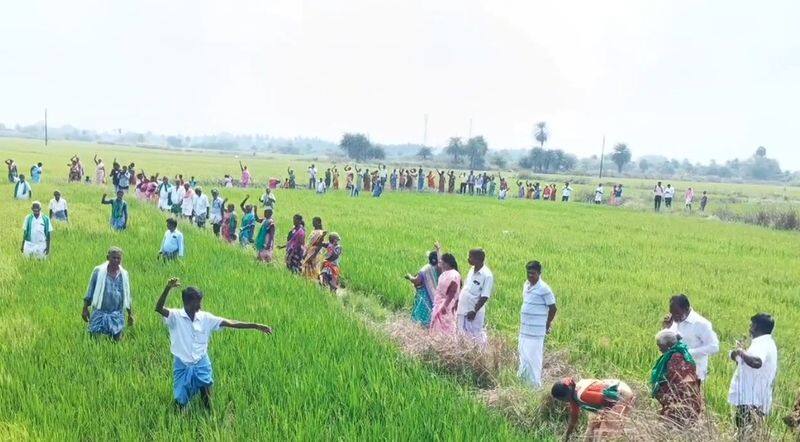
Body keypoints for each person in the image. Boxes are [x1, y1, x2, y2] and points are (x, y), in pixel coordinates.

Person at [155, 277, 272, 410]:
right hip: (182, 363)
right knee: (180, 399)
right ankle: (180, 414)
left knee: (206, 389)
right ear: (187, 303)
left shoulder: (205, 318)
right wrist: (167, 288)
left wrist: (255, 326)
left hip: (201, 361)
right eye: (197, 303)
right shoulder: (175, 316)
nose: (200, 306)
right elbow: (158, 308)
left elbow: (231, 323)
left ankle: (209, 414)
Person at [728, 313, 778, 436]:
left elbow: (756, 362)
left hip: (752, 401)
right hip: (753, 400)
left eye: (751, 325)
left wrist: (740, 351)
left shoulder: (762, 343)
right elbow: (750, 363)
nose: (749, 328)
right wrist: (737, 355)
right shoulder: (765, 343)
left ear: (756, 326)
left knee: (745, 436)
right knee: (747, 435)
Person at [551, 377, 635, 440]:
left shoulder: (581, 395)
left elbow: (609, 399)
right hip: (618, 391)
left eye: (561, 399)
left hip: (620, 395)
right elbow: (574, 419)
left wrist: (605, 421)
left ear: (565, 396)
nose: (563, 402)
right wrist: (566, 437)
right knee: (591, 432)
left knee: (604, 435)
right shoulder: (573, 395)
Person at [662, 294, 719, 384]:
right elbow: (667, 344)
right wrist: (666, 328)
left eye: (677, 313)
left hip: (695, 375)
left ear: (687, 308)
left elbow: (714, 347)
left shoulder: (701, 324)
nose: (673, 316)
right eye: (671, 313)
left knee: (691, 397)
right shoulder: (674, 321)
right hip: (675, 374)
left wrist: (688, 353)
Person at [650, 329, 703, 426]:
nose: (659, 348)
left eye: (660, 345)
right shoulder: (678, 354)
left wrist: (668, 398)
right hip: (678, 403)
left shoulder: (676, 358)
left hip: (681, 404)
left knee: (674, 429)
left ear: (668, 345)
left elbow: (680, 384)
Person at [518, 261, 557, 388]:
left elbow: (553, 308)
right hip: (524, 329)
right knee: (523, 355)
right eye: (528, 273)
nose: (530, 276)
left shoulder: (544, 288)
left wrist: (547, 324)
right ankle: (523, 382)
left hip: (536, 331)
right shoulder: (526, 285)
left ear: (539, 273)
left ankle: (535, 386)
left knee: (534, 358)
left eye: (533, 273)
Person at [81, 247, 133, 341]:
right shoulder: (98, 271)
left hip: (117, 314)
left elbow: (127, 296)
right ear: (107, 257)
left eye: (118, 258)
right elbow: (90, 290)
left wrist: (130, 314)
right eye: (114, 258)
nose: (116, 260)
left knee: (117, 342)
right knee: (95, 341)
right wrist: (85, 309)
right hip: (100, 313)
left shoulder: (124, 274)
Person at [456, 249, 493, 346]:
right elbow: (467, 288)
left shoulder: (487, 275)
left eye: (470, 257)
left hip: (473, 311)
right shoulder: (472, 269)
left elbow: (484, 296)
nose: (468, 259)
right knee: (461, 332)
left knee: (475, 335)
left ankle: (478, 356)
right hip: (463, 307)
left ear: (478, 259)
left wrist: (474, 311)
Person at [405, 251, 440, 327]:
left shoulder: (425, 269)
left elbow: (416, 281)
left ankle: (422, 327)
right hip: (436, 297)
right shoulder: (440, 269)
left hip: (425, 296)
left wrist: (409, 277)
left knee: (422, 315)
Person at [430, 250, 461, 334]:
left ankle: (445, 343)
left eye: (442, 261)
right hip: (439, 303)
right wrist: (438, 250)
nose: (440, 263)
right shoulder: (445, 273)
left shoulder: (454, 274)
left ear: (447, 263)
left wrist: (444, 305)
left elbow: (452, 292)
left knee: (446, 326)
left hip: (446, 304)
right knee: (438, 325)